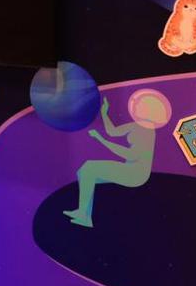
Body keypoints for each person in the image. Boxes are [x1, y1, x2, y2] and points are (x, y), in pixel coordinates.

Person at [63, 90, 171, 228]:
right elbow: (112, 132)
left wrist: (101, 140)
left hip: (135, 174)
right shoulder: (136, 125)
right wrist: (104, 113)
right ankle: (83, 214)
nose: (137, 105)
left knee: (88, 170)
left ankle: (84, 215)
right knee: (85, 171)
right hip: (129, 168)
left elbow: (130, 155)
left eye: (141, 104)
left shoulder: (147, 131)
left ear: (148, 110)